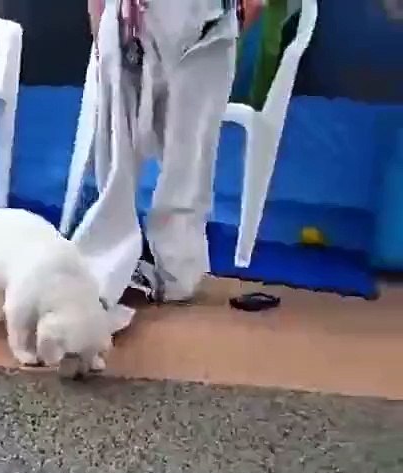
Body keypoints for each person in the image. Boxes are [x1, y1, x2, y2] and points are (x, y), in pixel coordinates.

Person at [74, 0, 264, 329]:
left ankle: (171, 270)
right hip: (133, 23)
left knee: (189, 155)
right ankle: (106, 264)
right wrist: (102, 28)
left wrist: (240, 14)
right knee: (126, 152)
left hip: (205, 23)